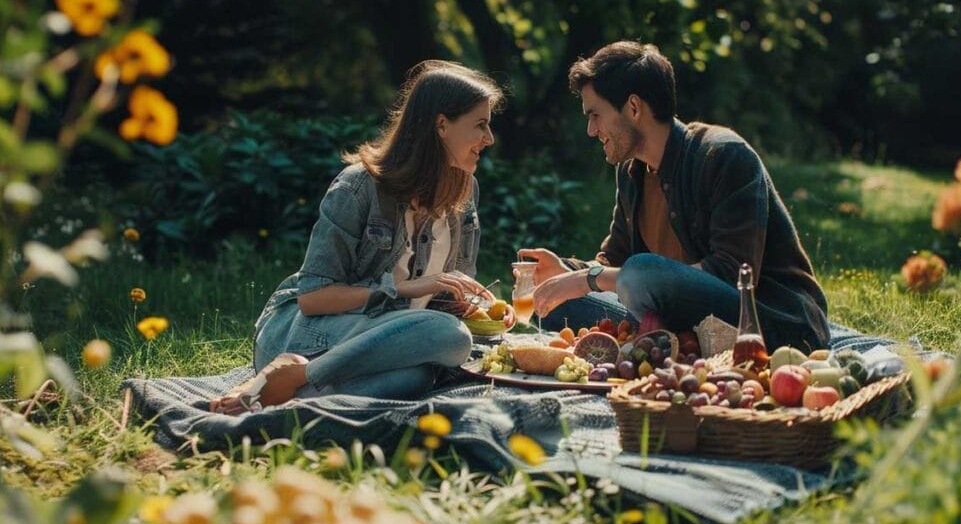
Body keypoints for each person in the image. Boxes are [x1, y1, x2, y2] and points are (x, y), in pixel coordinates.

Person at [211, 60, 507, 414]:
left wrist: (473, 307)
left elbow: (437, 304)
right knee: (452, 338)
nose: (489, 139)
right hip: (310, 334)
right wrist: (402, 289)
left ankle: (290, 396)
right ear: (441, 125)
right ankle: (294, 371)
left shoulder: (465, 191)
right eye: (480, 125)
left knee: (417, 378)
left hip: (386, 342)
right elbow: (312, 299)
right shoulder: (358, 187)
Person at [522, 41, 829, 352]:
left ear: (633, 108)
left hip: (767, 325)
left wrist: (590, 279)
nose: (590, 129)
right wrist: (567, 272)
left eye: (595, 115)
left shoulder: (722, 155)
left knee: (641, 271)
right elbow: (614, 261)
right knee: (552, 303)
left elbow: (730, 275)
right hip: (680, 318)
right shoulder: (631, 172)